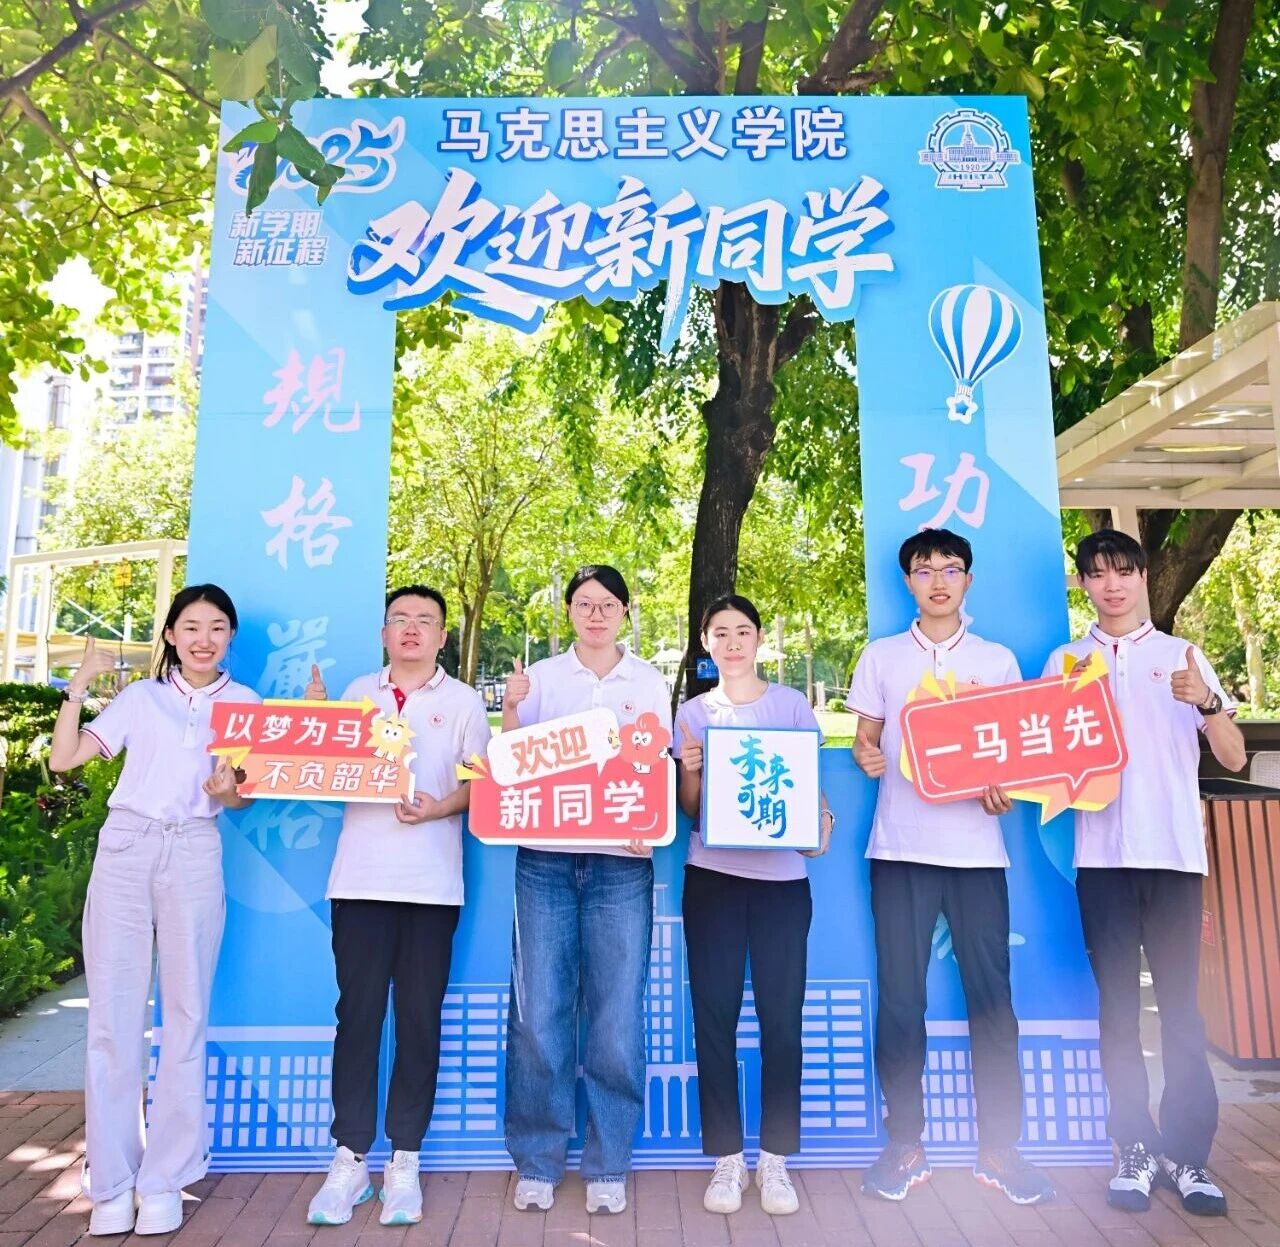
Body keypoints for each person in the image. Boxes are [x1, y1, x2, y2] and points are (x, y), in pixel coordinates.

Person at [1043, 530, 1245, 1216]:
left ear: (1143, 574)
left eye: (1123, 571)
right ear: (1083, 584)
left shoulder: (1182, 656)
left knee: (1182, 1011)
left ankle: (1188, 1156)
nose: (1112, 585)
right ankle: (1133, 1146)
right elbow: (1039, 757)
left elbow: (1234, 756)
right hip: (1100, 861)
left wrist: (1207, 702)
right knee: (1118, 1013)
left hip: (1174, 860)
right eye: (1097, 574)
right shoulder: (1064, 662)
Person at [850, 529, 1054, 1206]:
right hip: (900, 850)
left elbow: (1015, 752)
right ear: (907, 580)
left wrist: (1005, 787)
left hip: (976, 854)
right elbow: (866, 740)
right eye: (924, 569)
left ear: (968, 579)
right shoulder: (880, 657)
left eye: (950, 568)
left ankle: (1001, 1147)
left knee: (992, 1000)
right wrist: (866, 755)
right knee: (900, 999)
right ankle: (904, 1143)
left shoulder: (996, 660)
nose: (938, 580)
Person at [50, 585, 257, 1237]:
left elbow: (243, 795)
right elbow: (63, 759)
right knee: (113, 1019)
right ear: (170, 635)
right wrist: (78, 687)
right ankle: (111, 1181)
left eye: (217, 627)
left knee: (188, 1014)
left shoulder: (247, 704)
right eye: (191, 626)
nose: (204, 638)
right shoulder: (141, 698)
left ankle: (164, 1177)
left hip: (195, 848)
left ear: (230, 637)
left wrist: (228, 790)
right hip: (127, 847)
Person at [304, 587, 491, 1227]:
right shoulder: (358, 693)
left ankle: (404, 1158)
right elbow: (321, 771)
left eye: (425, 621)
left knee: (418, 1021)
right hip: (359, 881)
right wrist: (315, 725)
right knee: (356, 1018)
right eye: (400, 620)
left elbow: (480, 783)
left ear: (443, 637)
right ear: (384, 633)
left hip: (432, 886)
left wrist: (439, 808)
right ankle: (350, 1158)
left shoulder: (463, 701)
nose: (412, 629)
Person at [501, 564, 671, 1215]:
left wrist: (649, 822)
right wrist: (512, 706)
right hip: (543, 862)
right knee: (539, 1010)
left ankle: (608, 1162)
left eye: (607, 604)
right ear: (569, 611)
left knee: (617, 1015)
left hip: (621, 866)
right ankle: (537, 1160)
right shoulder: (541, 678)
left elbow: (654, 765)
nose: (595, 614)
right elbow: (511, 766)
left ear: (626, 611)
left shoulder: (648, 681)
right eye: (584, 603)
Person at [672, 593, 833, 1217]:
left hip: (782, 884)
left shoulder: (790, 704)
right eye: (720, 632)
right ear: (705, 643)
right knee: (713, 1017)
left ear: (759, 639)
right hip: (712, 878)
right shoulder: (691, 712)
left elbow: (808, 785)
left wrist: (820, 824)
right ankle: (725, 1158)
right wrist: (690, 770)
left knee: (781, 1018)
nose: (732, 642)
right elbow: (692, 808)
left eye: (743, 631)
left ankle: (775, 1158)